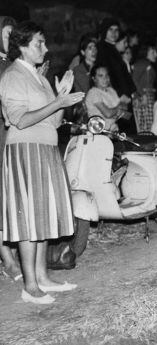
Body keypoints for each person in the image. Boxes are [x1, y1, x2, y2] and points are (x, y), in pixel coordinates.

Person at [0, 21, 84, 303]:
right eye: (40, 43)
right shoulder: (12, 76)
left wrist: (62, 99)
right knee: (28, 219)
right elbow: (19, 119)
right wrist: (56, 102)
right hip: (25, 150)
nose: (45, 48)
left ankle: (44, 277)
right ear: (22, 46)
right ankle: (30, 287)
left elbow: (55, 120)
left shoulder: (39, 77)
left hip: (46, 148)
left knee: (43, 215)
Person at [0, 15, 21, 282]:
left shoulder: (12, 64)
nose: (12, 39)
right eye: (7, 34)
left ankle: (14, 253)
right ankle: (7, 258)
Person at [85, 65, 129, 132]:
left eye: (106, 75)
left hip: (115, 129)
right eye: (101, 76)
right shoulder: (93, 93)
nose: (105, 78)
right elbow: (108, 114)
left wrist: (116, 110)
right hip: (100, 131)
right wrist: (119, 108)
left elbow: (125, 113)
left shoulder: (111, 90)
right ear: (94, 78)